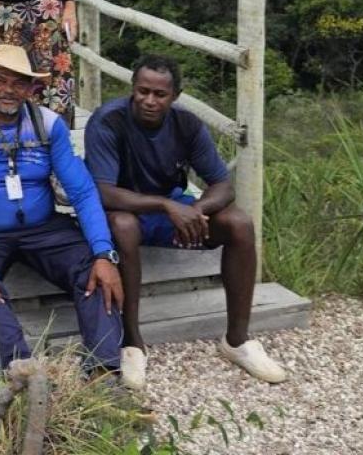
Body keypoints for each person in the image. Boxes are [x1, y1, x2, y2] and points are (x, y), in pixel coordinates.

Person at [84, 55, 288, 389]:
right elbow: (104, 192)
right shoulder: (108, 121)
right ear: (132, 89)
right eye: (142, 91)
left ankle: (237, 340)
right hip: (126, 210)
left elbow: (223, 185)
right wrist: (166, 206)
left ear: (175, 95)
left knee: (239, 222)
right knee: (123, 225)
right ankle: (132, 342)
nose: (149, 100)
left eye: (159, 94)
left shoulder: (187, 124)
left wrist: (195, 211)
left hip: (173, 210)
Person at [0, 46, 123, 373]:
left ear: (31, 89)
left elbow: (82, 191)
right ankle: (21, 370)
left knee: (94, 271)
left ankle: (105, 371)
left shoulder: (48, 125)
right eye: (0, 81)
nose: (9, 90)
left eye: (20, 83)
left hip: (44, 226)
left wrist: (105, 253)